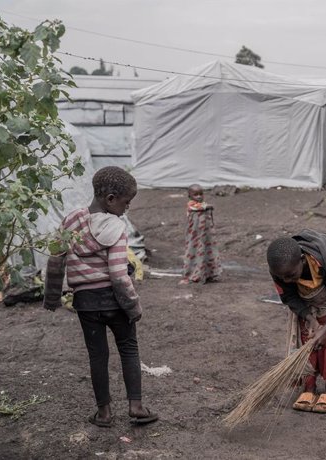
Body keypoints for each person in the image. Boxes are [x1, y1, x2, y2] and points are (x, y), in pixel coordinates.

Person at [43, 166, 158, 427]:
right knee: (128, 349)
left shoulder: (70, 222)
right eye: (126, 203)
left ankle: (104, 414)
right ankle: (136, 406)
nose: (126, 209)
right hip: (115, 302)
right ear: (110, 199)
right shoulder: (116, 228)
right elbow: (118, 275)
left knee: (98, 356)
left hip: (86, 304)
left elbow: (54, 261)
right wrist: (133, 305)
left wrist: (51, 298)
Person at [266, 229, 326, 414]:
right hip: (305, 310)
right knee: (307, 348)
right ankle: (309, 388)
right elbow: (289, 297)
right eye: (283, 277)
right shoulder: (279, 270)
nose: (287, 280)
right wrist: (310, 320)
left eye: (291, 275)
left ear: (303, 260)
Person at [181, 184, 222, 284]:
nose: (199, 196)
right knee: (193, 253)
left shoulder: (204, 205)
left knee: (208, 253)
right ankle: (191, 275)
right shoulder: (192, 205)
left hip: (205, 236)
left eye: (201, 194)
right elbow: (199, 207)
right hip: (195, 236)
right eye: (195, 195)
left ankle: (208, 274)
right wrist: (207, 207)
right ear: (190, 196)